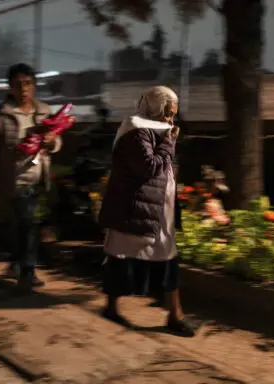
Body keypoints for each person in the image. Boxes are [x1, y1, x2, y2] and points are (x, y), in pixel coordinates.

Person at [98, 85, 195, 337]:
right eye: (167, 113)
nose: (171, 120)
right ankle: (112, 306)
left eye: (173, 114)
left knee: (167, 258)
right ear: (154, 108)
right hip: (135, 209)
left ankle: (175, 314)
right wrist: (169, 143)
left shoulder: (156, 130)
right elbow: (149, 167)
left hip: (157, 209)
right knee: (121, 257)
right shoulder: (136, 131)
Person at [0, 63, 61, 290]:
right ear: (10, 87)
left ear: (34, 85)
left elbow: (56, 141)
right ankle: (28, 272)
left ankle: (16, 263)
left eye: (28, 83)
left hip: (39, 177)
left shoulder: (44, 111)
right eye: (18, 84)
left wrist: (53, 143)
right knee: (28, 222)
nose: (23, 89)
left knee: (23, 224)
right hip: (13, 180)